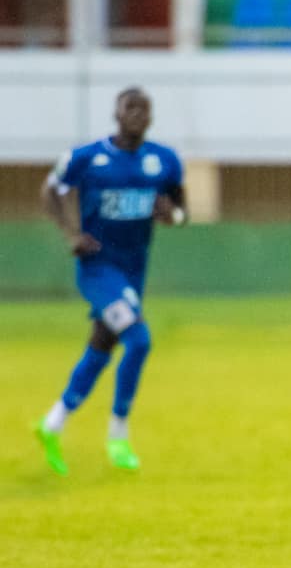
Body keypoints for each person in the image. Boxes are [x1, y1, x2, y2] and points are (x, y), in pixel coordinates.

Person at [34, 87, 185, 475]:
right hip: (99, 269)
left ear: (150, 118)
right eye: (129, 108)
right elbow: (50, 190)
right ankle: (118, 433)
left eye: (143, 109)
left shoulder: (163, 161)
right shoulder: (87, 158)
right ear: (116, 114)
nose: (136, 115)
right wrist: (71, 233)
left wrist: (174, 215)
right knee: (139, 339)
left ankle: (52, 423)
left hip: (134, 271)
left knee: (102, 345)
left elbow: (181, 207)